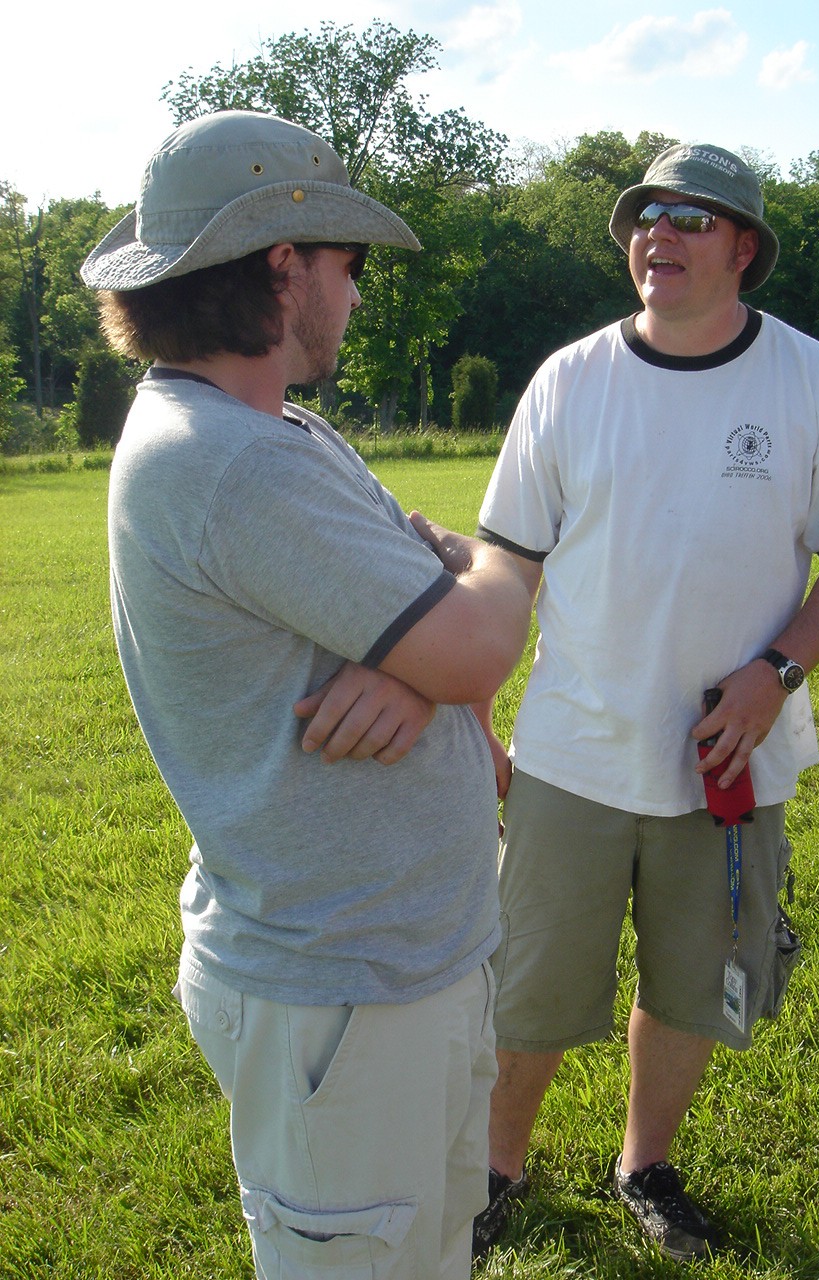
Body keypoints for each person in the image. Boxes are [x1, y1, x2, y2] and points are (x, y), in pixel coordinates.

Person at [81, 110, 533, 1280]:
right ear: (285, 267)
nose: (358, 292)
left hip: (391, 970)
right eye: (350, 259)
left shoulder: (275, 430)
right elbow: (476, 631)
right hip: (343, 994)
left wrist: (421, 671)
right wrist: (497, 567)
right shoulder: (234, 461)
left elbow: (431, 621)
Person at [470, 142, 819, 1262]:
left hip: (726, 759)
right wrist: (474, 706)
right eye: (647, 215)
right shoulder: (569, 380)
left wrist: (776, 674)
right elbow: (506, 564)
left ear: (744, 248)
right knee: (529, 984)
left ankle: (643, 1165)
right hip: (572, 751)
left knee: (695, 983)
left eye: (692, 218)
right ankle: (494, 1172)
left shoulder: (807, 377)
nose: (659, 233)